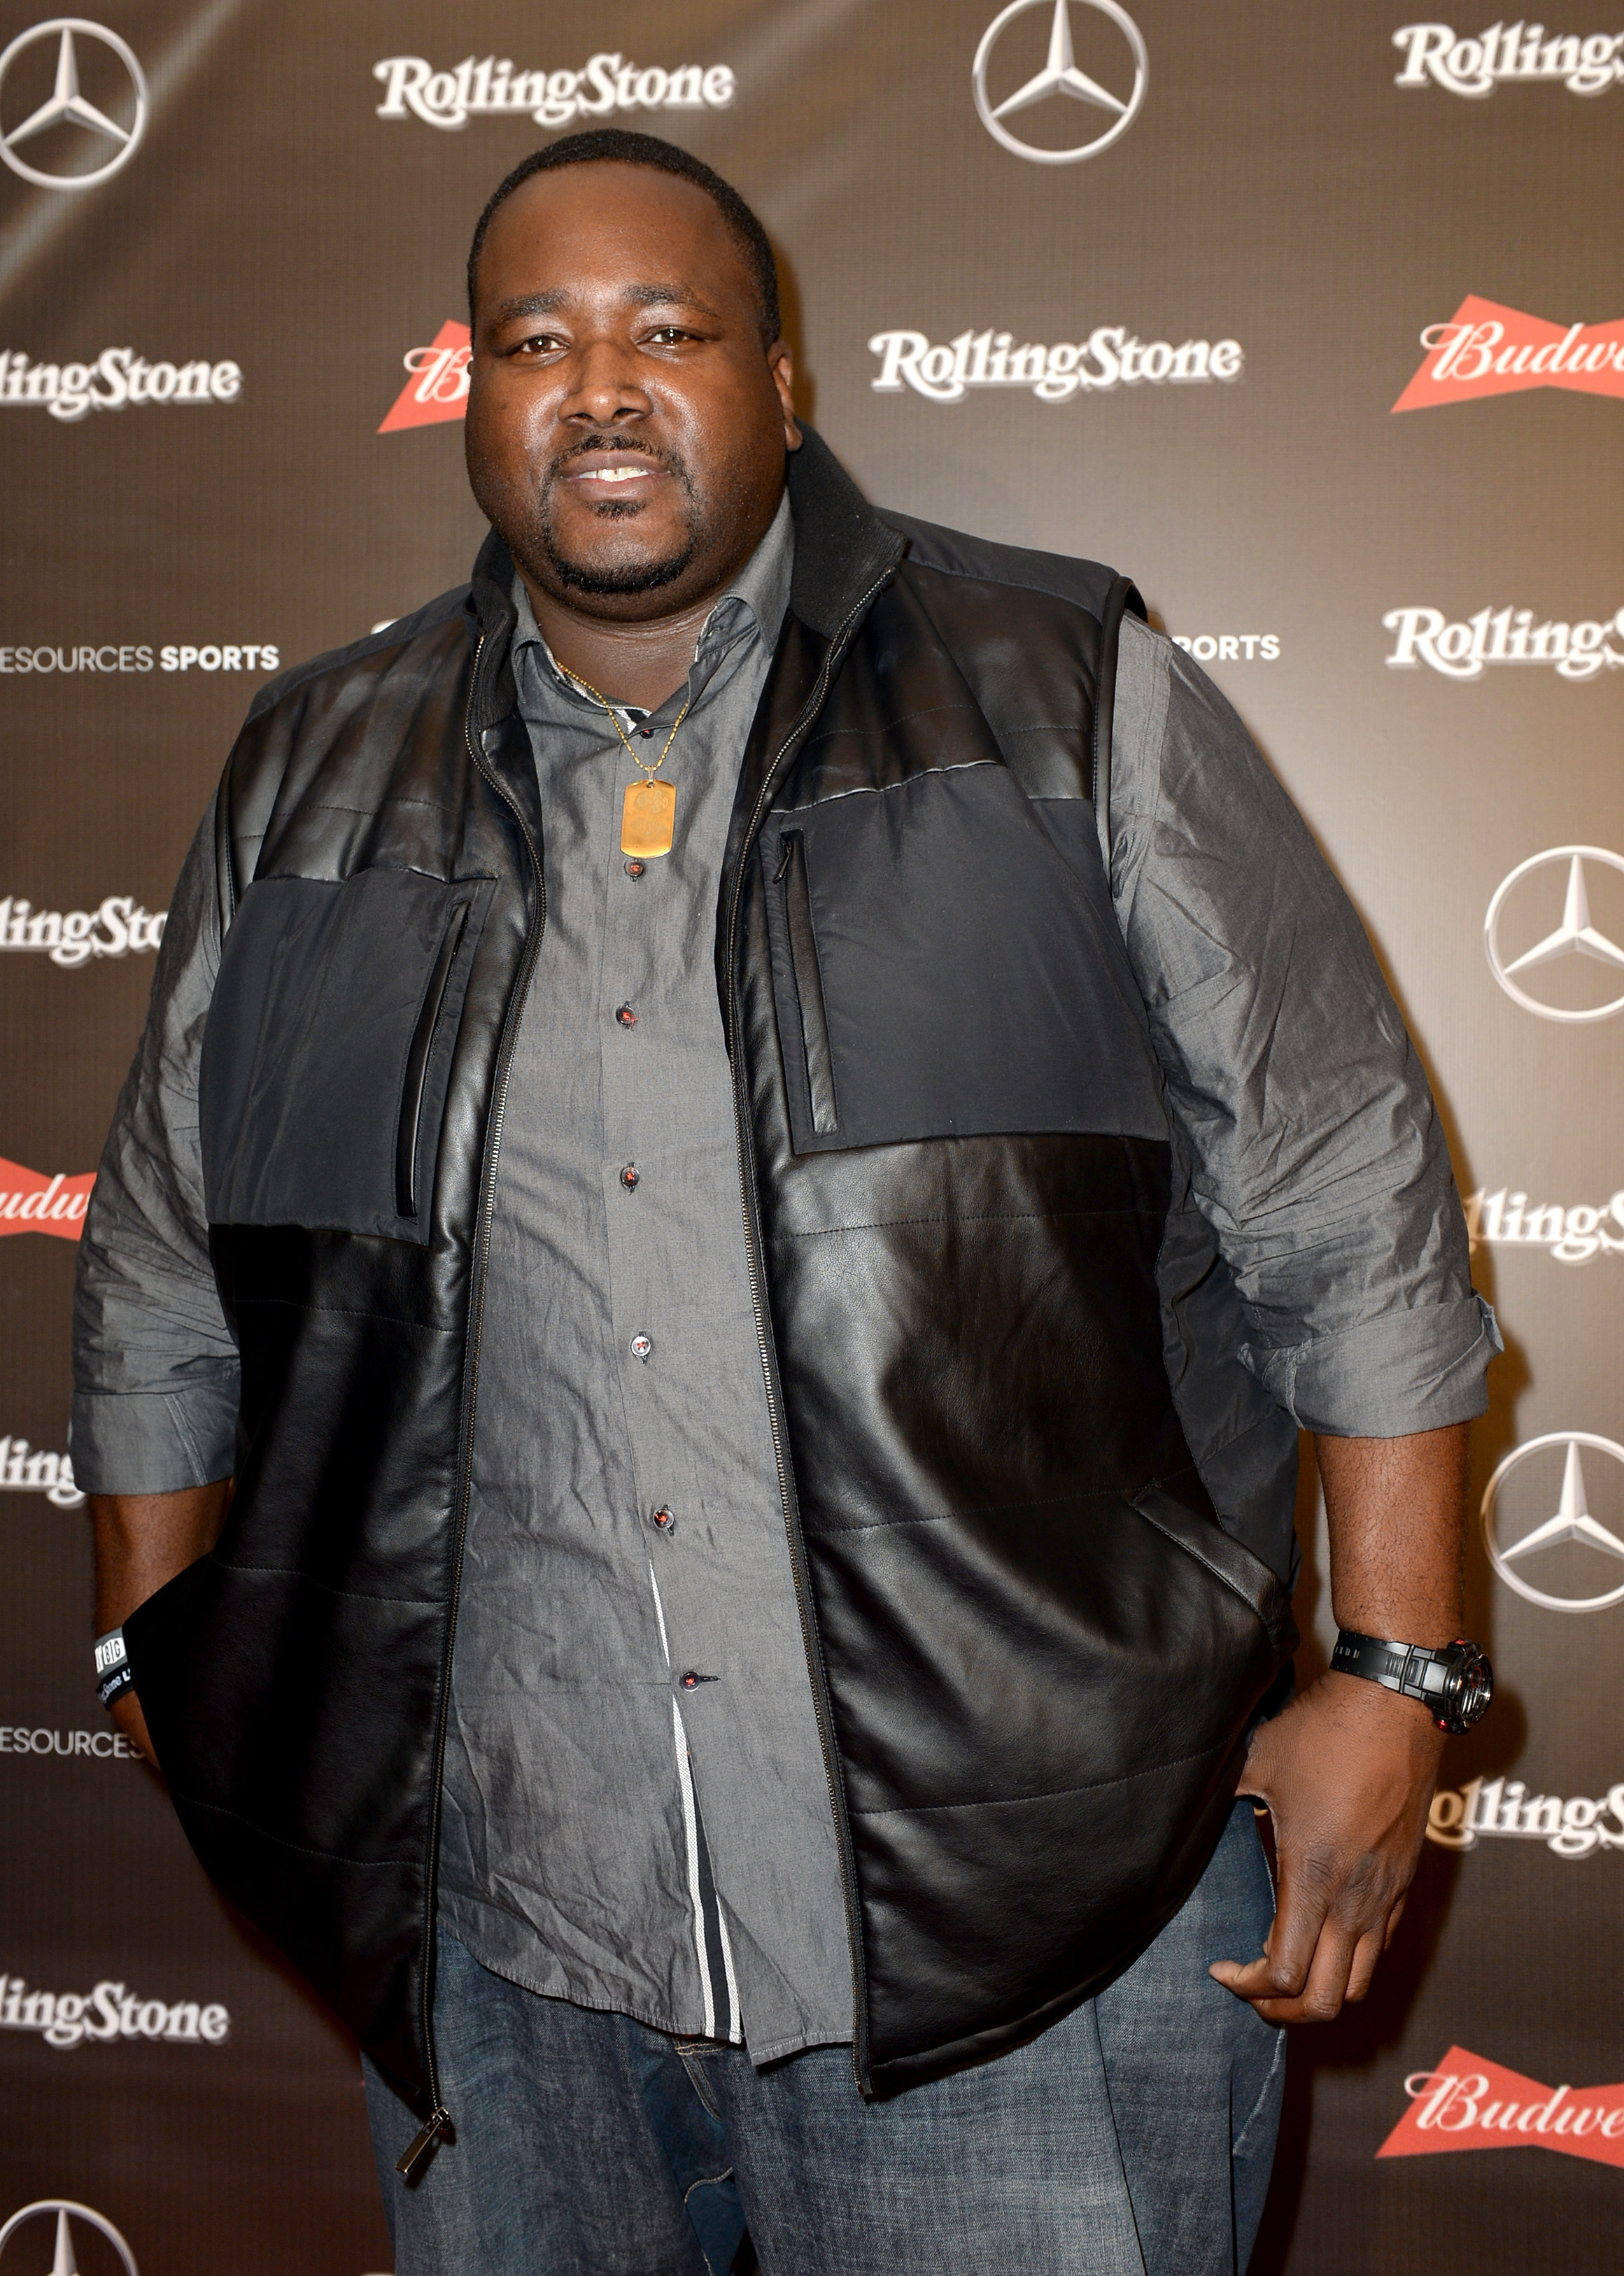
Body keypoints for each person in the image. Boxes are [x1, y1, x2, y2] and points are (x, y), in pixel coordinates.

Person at [73, 130, 1498, 2275]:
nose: (604, 389)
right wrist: (161, 1652)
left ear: (782, 377)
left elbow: (1344, 1203)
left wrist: (1396, 1674)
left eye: (669, 330)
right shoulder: (308, 772)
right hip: (500, 1961)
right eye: (535, 340)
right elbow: (163, 1274)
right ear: (471, 393)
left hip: (1029, 1931)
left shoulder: (1060, 691)